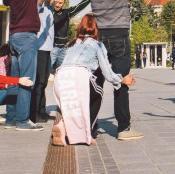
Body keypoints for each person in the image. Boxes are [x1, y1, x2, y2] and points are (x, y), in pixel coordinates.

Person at [84, 0, 152, 141]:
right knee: (121, 81)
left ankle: (90, 126)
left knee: (96, 82)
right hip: (120, 37)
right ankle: (123, 128)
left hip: (99, 38)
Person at [52, 14, 134, 146]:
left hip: (60, 77)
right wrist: (120, 80)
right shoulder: (97, 45)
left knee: (72, 104)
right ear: (96, 28)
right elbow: (107, 72)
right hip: (79, 74)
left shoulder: (72, 44)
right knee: (97, 94)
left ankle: (63, 126)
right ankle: (87, 131)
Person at [1, 0, 55, 131]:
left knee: (15, 79)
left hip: (14, 37)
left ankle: (11, 118)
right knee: (27, 80)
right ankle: (23, 121)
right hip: (26, 38)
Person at [31, 0, 66, 123]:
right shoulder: (39, 8)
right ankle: (35, 113)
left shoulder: (49, 9)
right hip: (39, 49)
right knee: (38, 82)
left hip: (46, 50)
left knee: (43, 82)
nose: (56, 1)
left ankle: (42, 110)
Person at [51, 0, 90, 71]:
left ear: (64, 3)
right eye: (56, 2)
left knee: (62, 72)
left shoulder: (66, 13)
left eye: (60, 3)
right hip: (52, 48)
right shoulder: (50, 12)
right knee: (45, 72)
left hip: (63, 48)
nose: (58, 5)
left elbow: (80, 6)